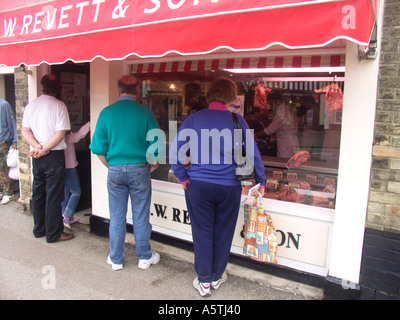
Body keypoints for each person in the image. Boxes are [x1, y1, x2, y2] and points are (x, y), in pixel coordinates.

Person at [170, 77, 266, 297]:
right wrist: (261, 181)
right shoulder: (237, 121)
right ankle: (215, 277)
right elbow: (253, 154)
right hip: (228, 187)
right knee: (223, 232)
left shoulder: (193, 119)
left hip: (199, 186)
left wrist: (183, 178)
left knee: (202, 232)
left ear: (209, 95)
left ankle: (203, 281)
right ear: (232, 97)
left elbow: (176, 154)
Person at [90, 75, 162, 271]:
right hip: (140, 169)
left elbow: (98, 149)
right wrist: (151, 166)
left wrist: (113, 166)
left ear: (118, 90)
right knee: (140, 215)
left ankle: (116, 259)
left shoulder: (106, 113)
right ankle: (144, 257)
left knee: (117, 216)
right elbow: (157, 147)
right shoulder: (146, 113)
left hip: (115, 170)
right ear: (138, 91)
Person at [21, 74, 74, 242]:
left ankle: (39, 229)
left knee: (38, 192)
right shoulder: (59, 106)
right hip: (53, 156)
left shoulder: (31, 105)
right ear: (58, 88)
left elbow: (25, 131)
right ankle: (53, 233)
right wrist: (44, 149)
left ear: (42, 86)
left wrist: (37, 147)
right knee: (54, 195)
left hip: (37, 155)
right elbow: (60, 134)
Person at [62, 121, 90, 230]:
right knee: (76, 192)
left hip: (61, 168)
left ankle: (65, 216)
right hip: (70, 168)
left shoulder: (58, 139)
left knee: (65, 194)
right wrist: (89, 124)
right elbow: (79, 136)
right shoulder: (68, 138)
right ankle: (67, 216)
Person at [255, 92, 300, 159]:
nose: (270, 106)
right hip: (293, 141)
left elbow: (270, 130)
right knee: (294, 161)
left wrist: (256, 135)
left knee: (285, 163)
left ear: (277, 101)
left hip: (286, 142)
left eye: (271, 103)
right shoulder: (288, 108)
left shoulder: (281, 111)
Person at [0, 97, 17, 205]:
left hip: (3, 142)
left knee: (3, 168)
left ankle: (8, 192)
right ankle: (2, 190)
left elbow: (12, 123)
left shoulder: (4, 105)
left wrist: (15, 141)